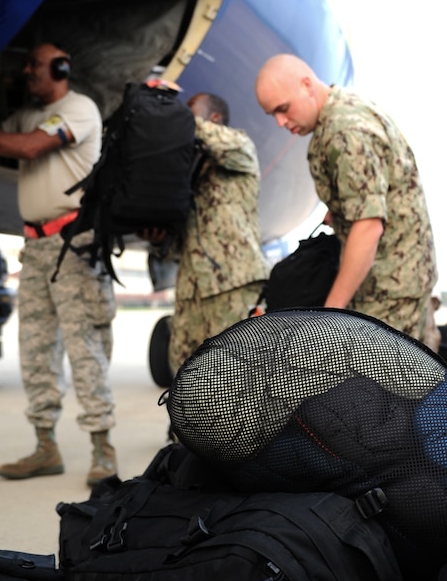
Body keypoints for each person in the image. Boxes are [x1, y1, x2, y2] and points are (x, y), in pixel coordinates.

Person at [0, 42, 117, 486]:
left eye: (34, 65)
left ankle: (102, 450)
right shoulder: (23, 118)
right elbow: (1, 149)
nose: (27, 73)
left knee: (84, 349)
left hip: (73, 243)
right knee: (35, 349)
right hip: (35, 248)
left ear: (60, 68)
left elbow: (32, 148)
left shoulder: (79, 109)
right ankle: (45, 446)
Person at [255, 53, 439, 348]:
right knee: (417, 383)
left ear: (306, 84)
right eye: (272, 114)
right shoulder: (341, 115)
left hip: (388, 287)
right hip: (397, 278)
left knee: (377, 387)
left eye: (283, 109)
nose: (280, 122)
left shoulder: (345, 131)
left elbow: (367, 227)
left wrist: (332, 314)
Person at [145, 92, 269, 374]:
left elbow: (220, 142)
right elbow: (181, 245)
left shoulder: (239, 151)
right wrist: (158, 240)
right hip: (192, 292)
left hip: (233, 288)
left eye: (191, 112)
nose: (183, 119)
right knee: (184, 376)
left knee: (237, 377)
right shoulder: (186, 174)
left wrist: (170, 115)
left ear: (214, 119)